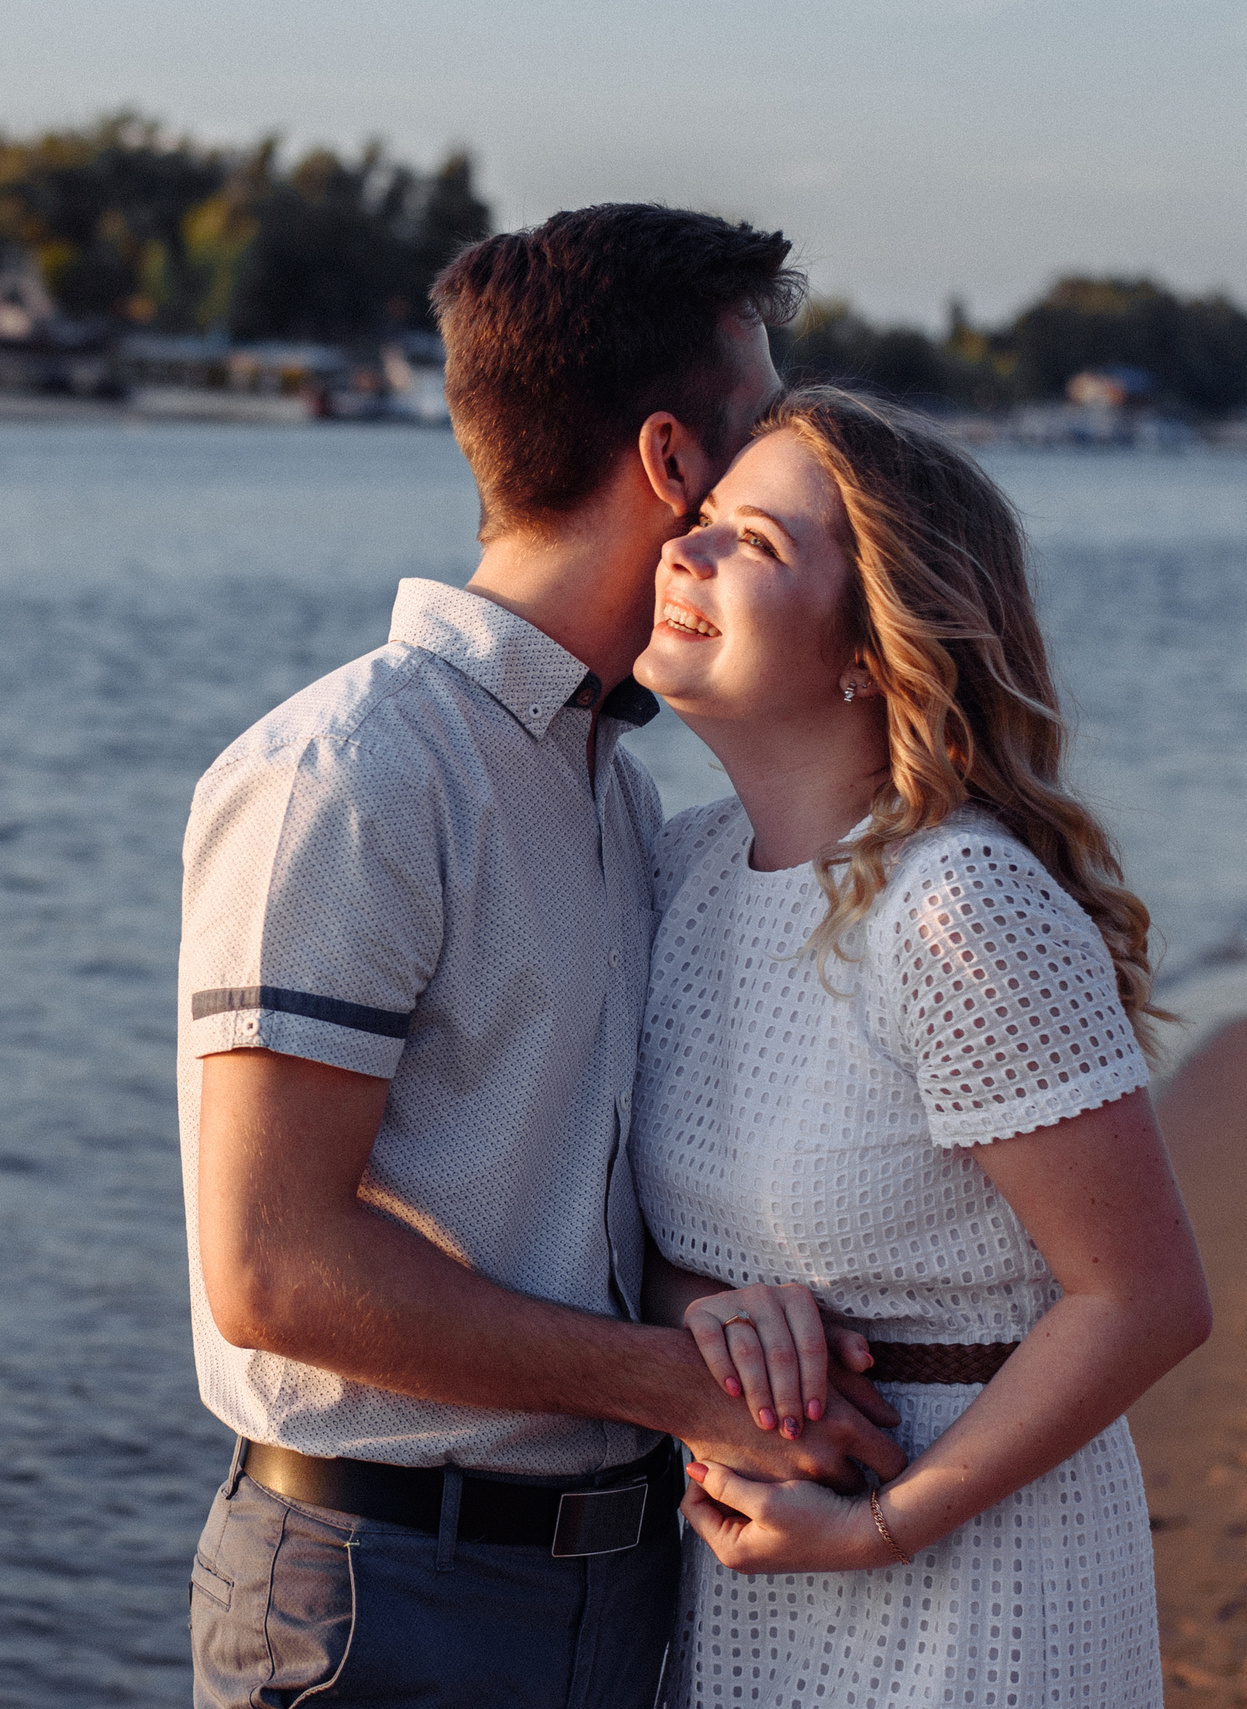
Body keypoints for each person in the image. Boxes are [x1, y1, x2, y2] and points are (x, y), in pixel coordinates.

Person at [176, 208, 911, 1708]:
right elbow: (272, 1269)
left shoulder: (617, 789)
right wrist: (671, 1379)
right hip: (380, 1589)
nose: (783, 459)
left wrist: (733, 1324)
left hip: (625, 1574)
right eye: (761, 426)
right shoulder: (355, 771)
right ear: (670, 465)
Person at [625, 386, 1214, 1707]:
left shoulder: (957, 905)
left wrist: (888, 1525)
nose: (686, 551)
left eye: (756, 545)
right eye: (702, 521)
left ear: (873, 649)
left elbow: (1145, 1296)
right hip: (750, 1560)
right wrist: (694, 1309)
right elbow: (658, 1229)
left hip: (974, 1562)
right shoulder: (683, 871)